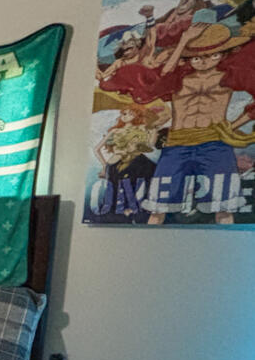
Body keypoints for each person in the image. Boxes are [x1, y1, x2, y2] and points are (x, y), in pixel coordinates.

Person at [101, 21, 255, 224]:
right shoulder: (178, 78)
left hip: (215, 144)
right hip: (177, 144)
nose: (203, 61)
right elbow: (160, 75)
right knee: (158, 206)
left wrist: (231, 127)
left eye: (212, 55)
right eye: (197, 56)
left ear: (223, 54)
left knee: (224, 206)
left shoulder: (227, 78)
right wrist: (183, 41)